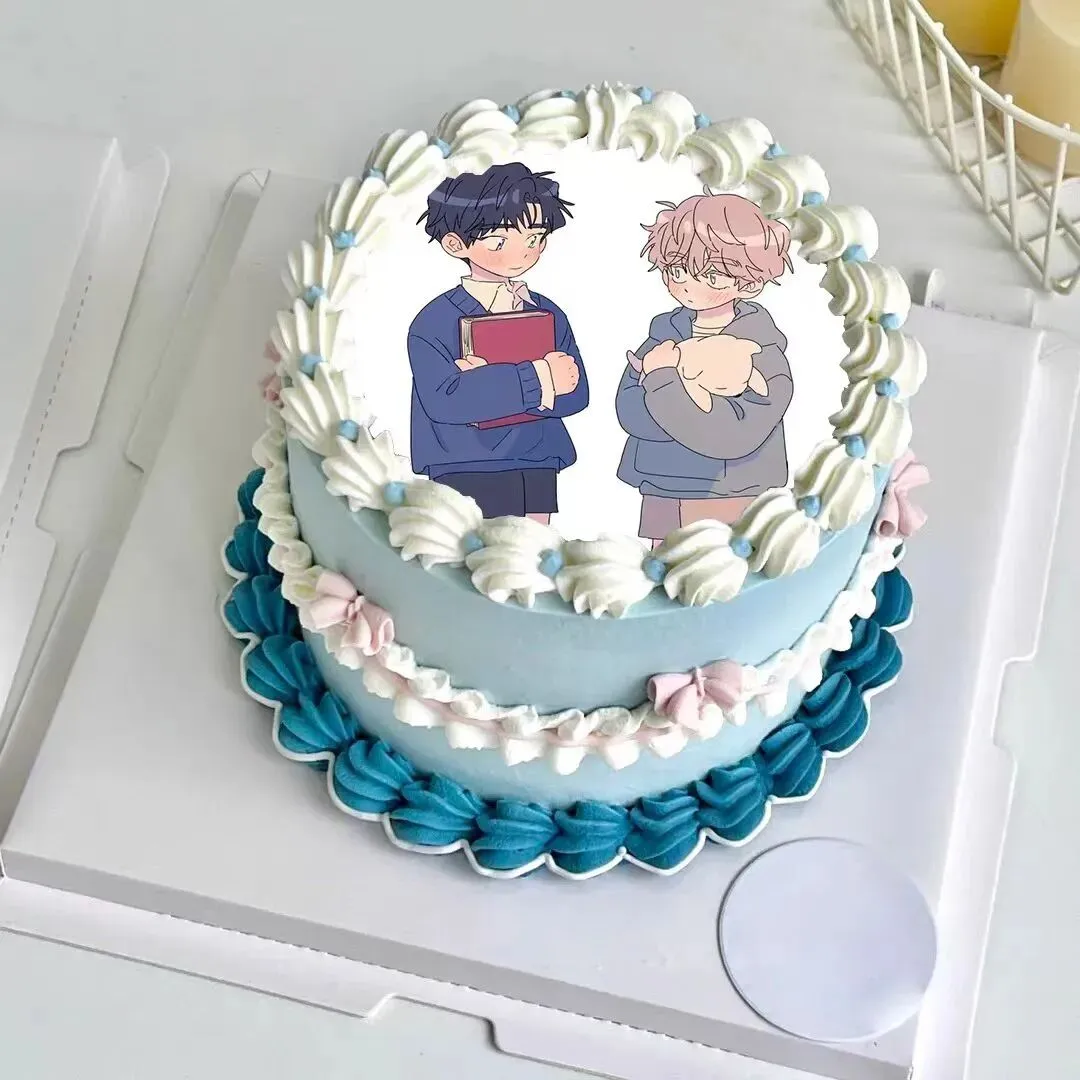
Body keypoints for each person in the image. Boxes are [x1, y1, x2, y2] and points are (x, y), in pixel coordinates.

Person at [408, 162, 589, 523]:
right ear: (455, 244)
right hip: (466, 462)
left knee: (533, 543)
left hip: (537, 455)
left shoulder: (546, 312)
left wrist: (490, 384)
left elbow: (576, 392)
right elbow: (446, 400)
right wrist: (539, 378)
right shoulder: (435, 320)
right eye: (499, 241)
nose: (523, 252)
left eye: (535, 239)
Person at [615, 192, 793, 543]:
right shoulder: (662, 335)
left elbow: (732, 434)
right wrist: (685, 416)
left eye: (712, 275)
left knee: (711, 565)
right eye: (677, 269)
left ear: (749, 282)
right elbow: (630, 411)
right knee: (660, 564)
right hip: (661, 481)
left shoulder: (761, 351)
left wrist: (663, 382)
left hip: (726, 489)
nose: (687, 284)